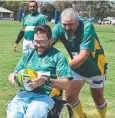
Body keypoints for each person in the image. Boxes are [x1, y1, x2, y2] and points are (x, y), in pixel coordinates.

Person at [7, 25, 73, 118]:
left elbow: (66, 84)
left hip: (45, 97)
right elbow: (13, 74)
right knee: (13, 114)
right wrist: (12, 78)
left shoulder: (58, 57)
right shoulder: (28, 56)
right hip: (24, 95)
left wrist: (44, 81)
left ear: (51, 40)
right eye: (36, 41)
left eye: (42, 42)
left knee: (32, 114)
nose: (38, 45)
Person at [52, 8, 108, 118]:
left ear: (77, 22)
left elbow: (83, 56)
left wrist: (62, 69)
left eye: (71, 24)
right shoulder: (59, 28)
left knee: (98, 98)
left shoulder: (87, 27)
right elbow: (46, 44)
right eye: (64, 24)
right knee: (70, 97)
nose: (67, 28)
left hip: (95, 67)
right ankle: (83, 117)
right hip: (74, 67)